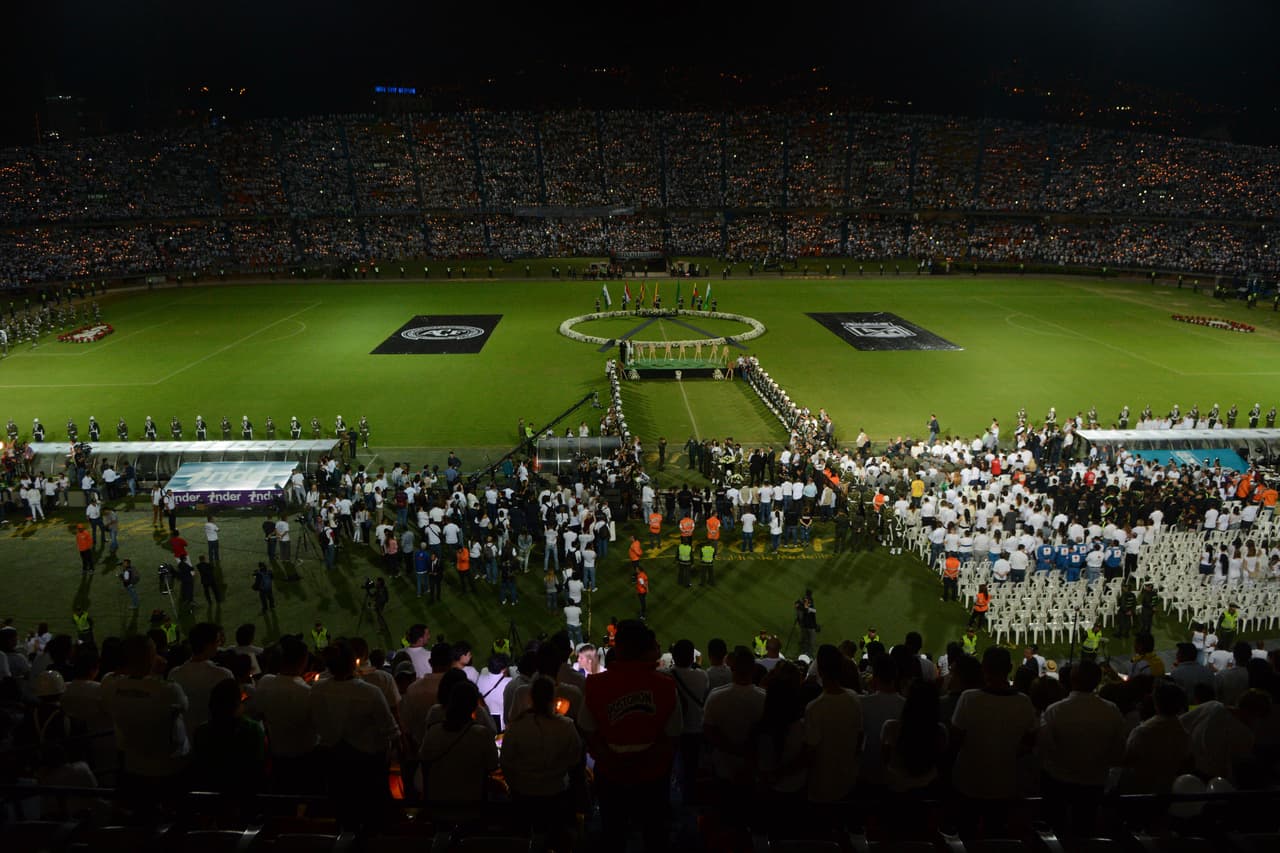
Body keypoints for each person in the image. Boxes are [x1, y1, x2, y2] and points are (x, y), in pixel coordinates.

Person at [579, 620, 681, 852]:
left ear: (619, 649)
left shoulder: (595, 684)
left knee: (614, 834)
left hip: (612, 774)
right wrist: (644, 763)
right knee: (654, 834)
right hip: (652, 776)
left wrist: (611, 759)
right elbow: (673, 735)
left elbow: (587, 728)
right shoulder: (665, 684)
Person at [1037, 660, 1126, 837]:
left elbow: (1044, 749)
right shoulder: (1112, 711)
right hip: (1093, 783)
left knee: (1057, 831)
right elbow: (1118, 752)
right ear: (1098, 681)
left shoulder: (1055, 710)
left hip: (1059, 783)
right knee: (1085, 831)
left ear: (1072, 680)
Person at [501, 676, 582, 845]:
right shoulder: (565, 725)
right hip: (556, 790)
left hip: (523, 791)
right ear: (553, 698)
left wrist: (514, 784)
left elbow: (506, 762)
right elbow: (575, 757)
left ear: (530, 697)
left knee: (524, 838)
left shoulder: (516, 726)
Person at [950, 647, 1038, 804]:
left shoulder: (969, 698)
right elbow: (1030, 741)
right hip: (1004, 783)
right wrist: (1005, 754)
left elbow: (955, 739)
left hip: (969, 780)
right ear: (1011, 668)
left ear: (983, 667)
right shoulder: (1023, 702)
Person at [100, 635, 190, 786]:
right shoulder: (168, 689)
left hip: (132, 764)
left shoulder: (109, 686)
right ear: (151, 658)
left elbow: (115, 678)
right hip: (168, 765)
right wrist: (156, 674)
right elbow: (184, 706)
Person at [191, 679, 267, 792]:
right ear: (236, 704)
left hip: (212, 789)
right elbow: (259, 766)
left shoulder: (201, 731)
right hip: (244, 790)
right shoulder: (253, 729)